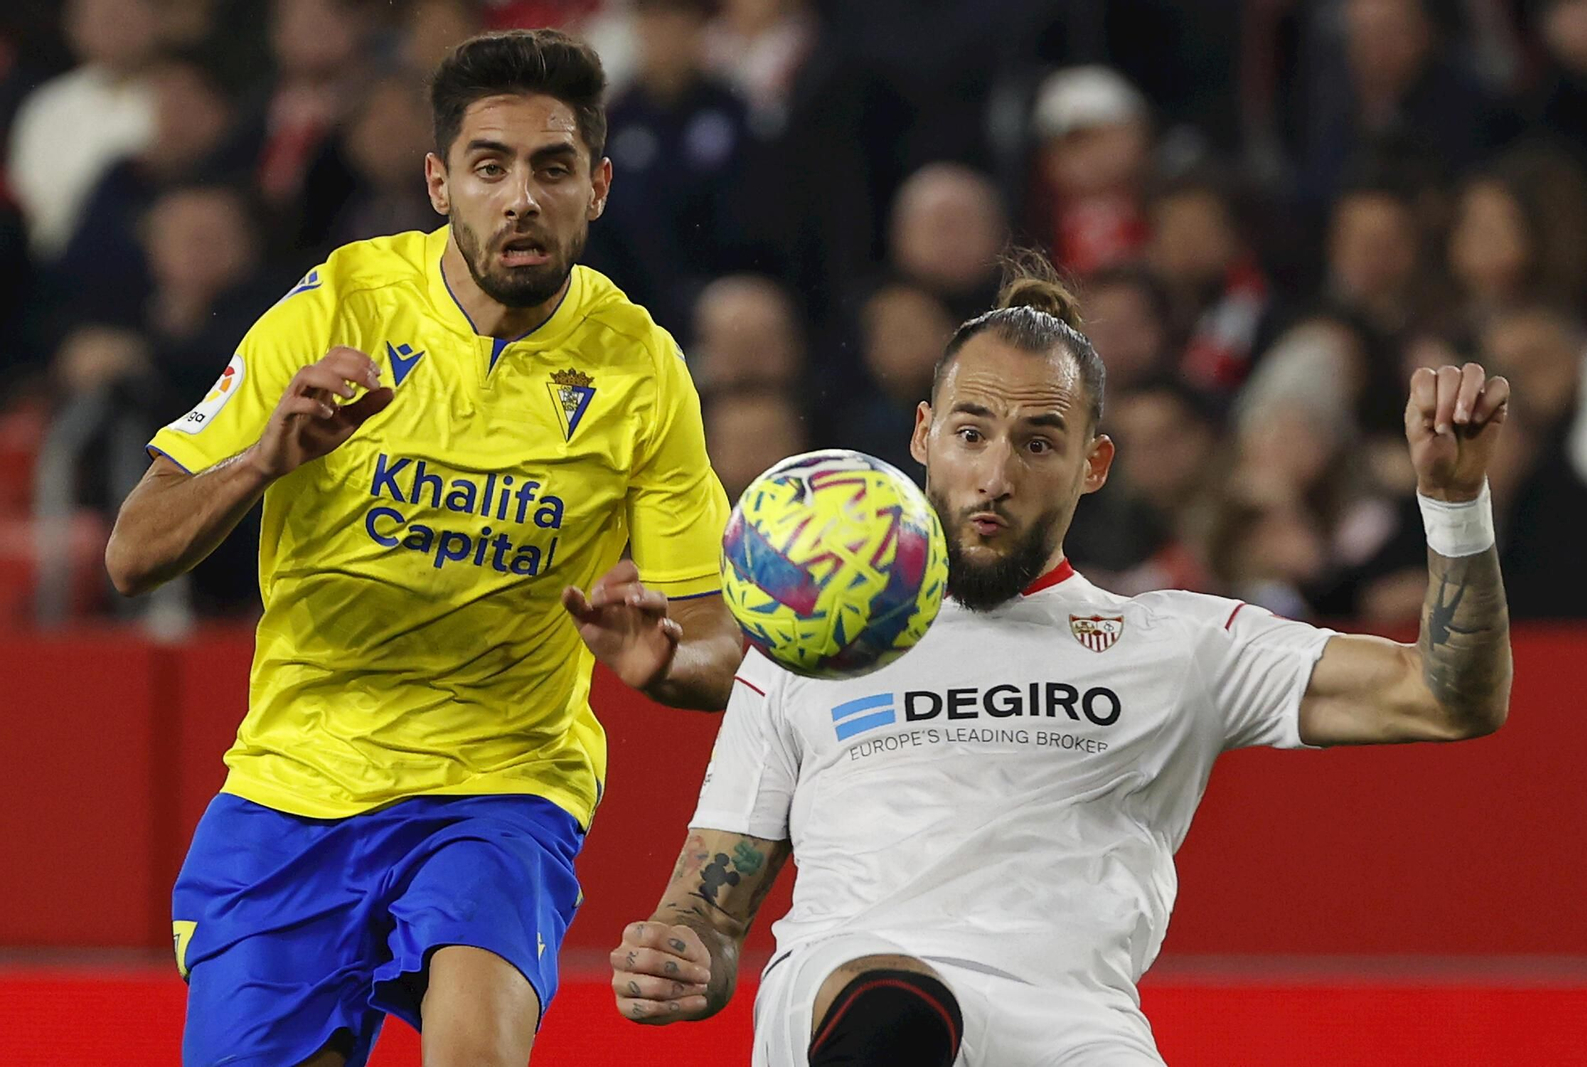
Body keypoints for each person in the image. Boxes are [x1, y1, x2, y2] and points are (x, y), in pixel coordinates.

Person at [610, 253, 1513, 1066]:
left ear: (1095, 462)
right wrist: (684, 954)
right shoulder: (808, 643)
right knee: (897, 1003)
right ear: (924, 435)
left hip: (1074, 1025)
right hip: (859, 997)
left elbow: (1447, 696)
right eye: (972, 433)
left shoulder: (1180, 645)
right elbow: (709, 912)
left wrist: (1454, 502)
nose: (996, 474)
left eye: (1038, 442)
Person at [103, 29, 743, 1067]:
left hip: (500, 785)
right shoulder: (337, 308)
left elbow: (717, 631)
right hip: (294, 786)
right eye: (490, 168)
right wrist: (261, 461)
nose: (521, 198)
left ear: (600, 187)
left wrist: (666, 661)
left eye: (553, 167)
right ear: (441, 182)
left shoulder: (638, 367)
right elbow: (132, 554)